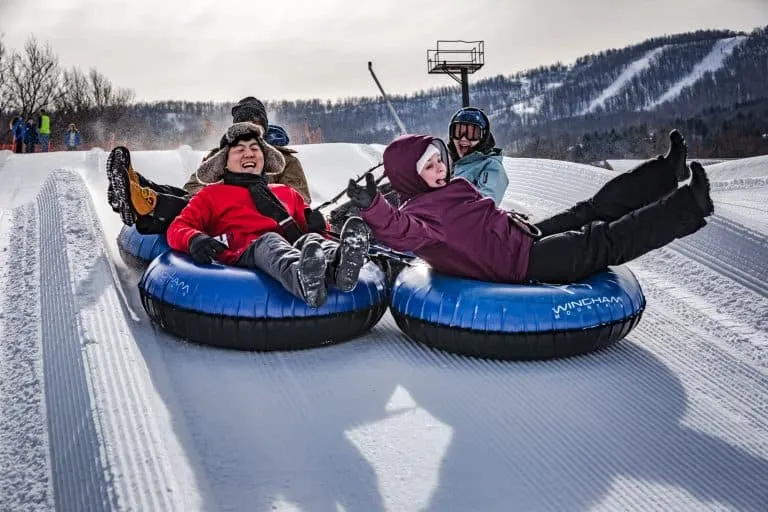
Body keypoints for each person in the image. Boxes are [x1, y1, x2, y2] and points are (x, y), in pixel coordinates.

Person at [346, 130, 714, 285]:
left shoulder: (447, 187)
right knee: (599, 241)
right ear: (410, 178)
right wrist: (374, 206)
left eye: (439, 159)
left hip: (520, 237)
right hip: (522, 263)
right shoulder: (423, 214)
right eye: (428, 166)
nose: (440, 167)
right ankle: (689, 206)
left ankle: (667, 171)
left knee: (589, 209)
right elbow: (401, 230)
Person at [165, 122, 370, 308]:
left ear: (265, 159)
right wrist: (194, 239)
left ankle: (340, 265)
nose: (249, 154)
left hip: (290, 245)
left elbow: (308, 238)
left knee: (311, 238)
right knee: (270, 241)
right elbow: (178, 227)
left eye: (255, 149)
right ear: (224, 162)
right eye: (239, 150)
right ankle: (303, 280)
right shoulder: (212, 195)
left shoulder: (285, 192)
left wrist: (318, 225)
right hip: (243, 252)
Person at [106, 96, 311, 235]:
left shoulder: (285, 160)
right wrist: (215, 194)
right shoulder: (222, 155)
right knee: (190, 201)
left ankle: (149, 203)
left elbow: (298, 200)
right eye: (243, 122)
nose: (249, 126)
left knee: (193, 206)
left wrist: (251, 193)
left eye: (254, 121)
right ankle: (136, 185)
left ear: (263, 126)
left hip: (255, 217)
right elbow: (193, 187)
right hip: (218, 210)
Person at [446, 106, 509, 205]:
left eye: (472, 134)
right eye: (458, 132)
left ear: (482, 138)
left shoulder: (491, 166)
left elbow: (484, 205)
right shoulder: (445, 162)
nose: (463, 139)